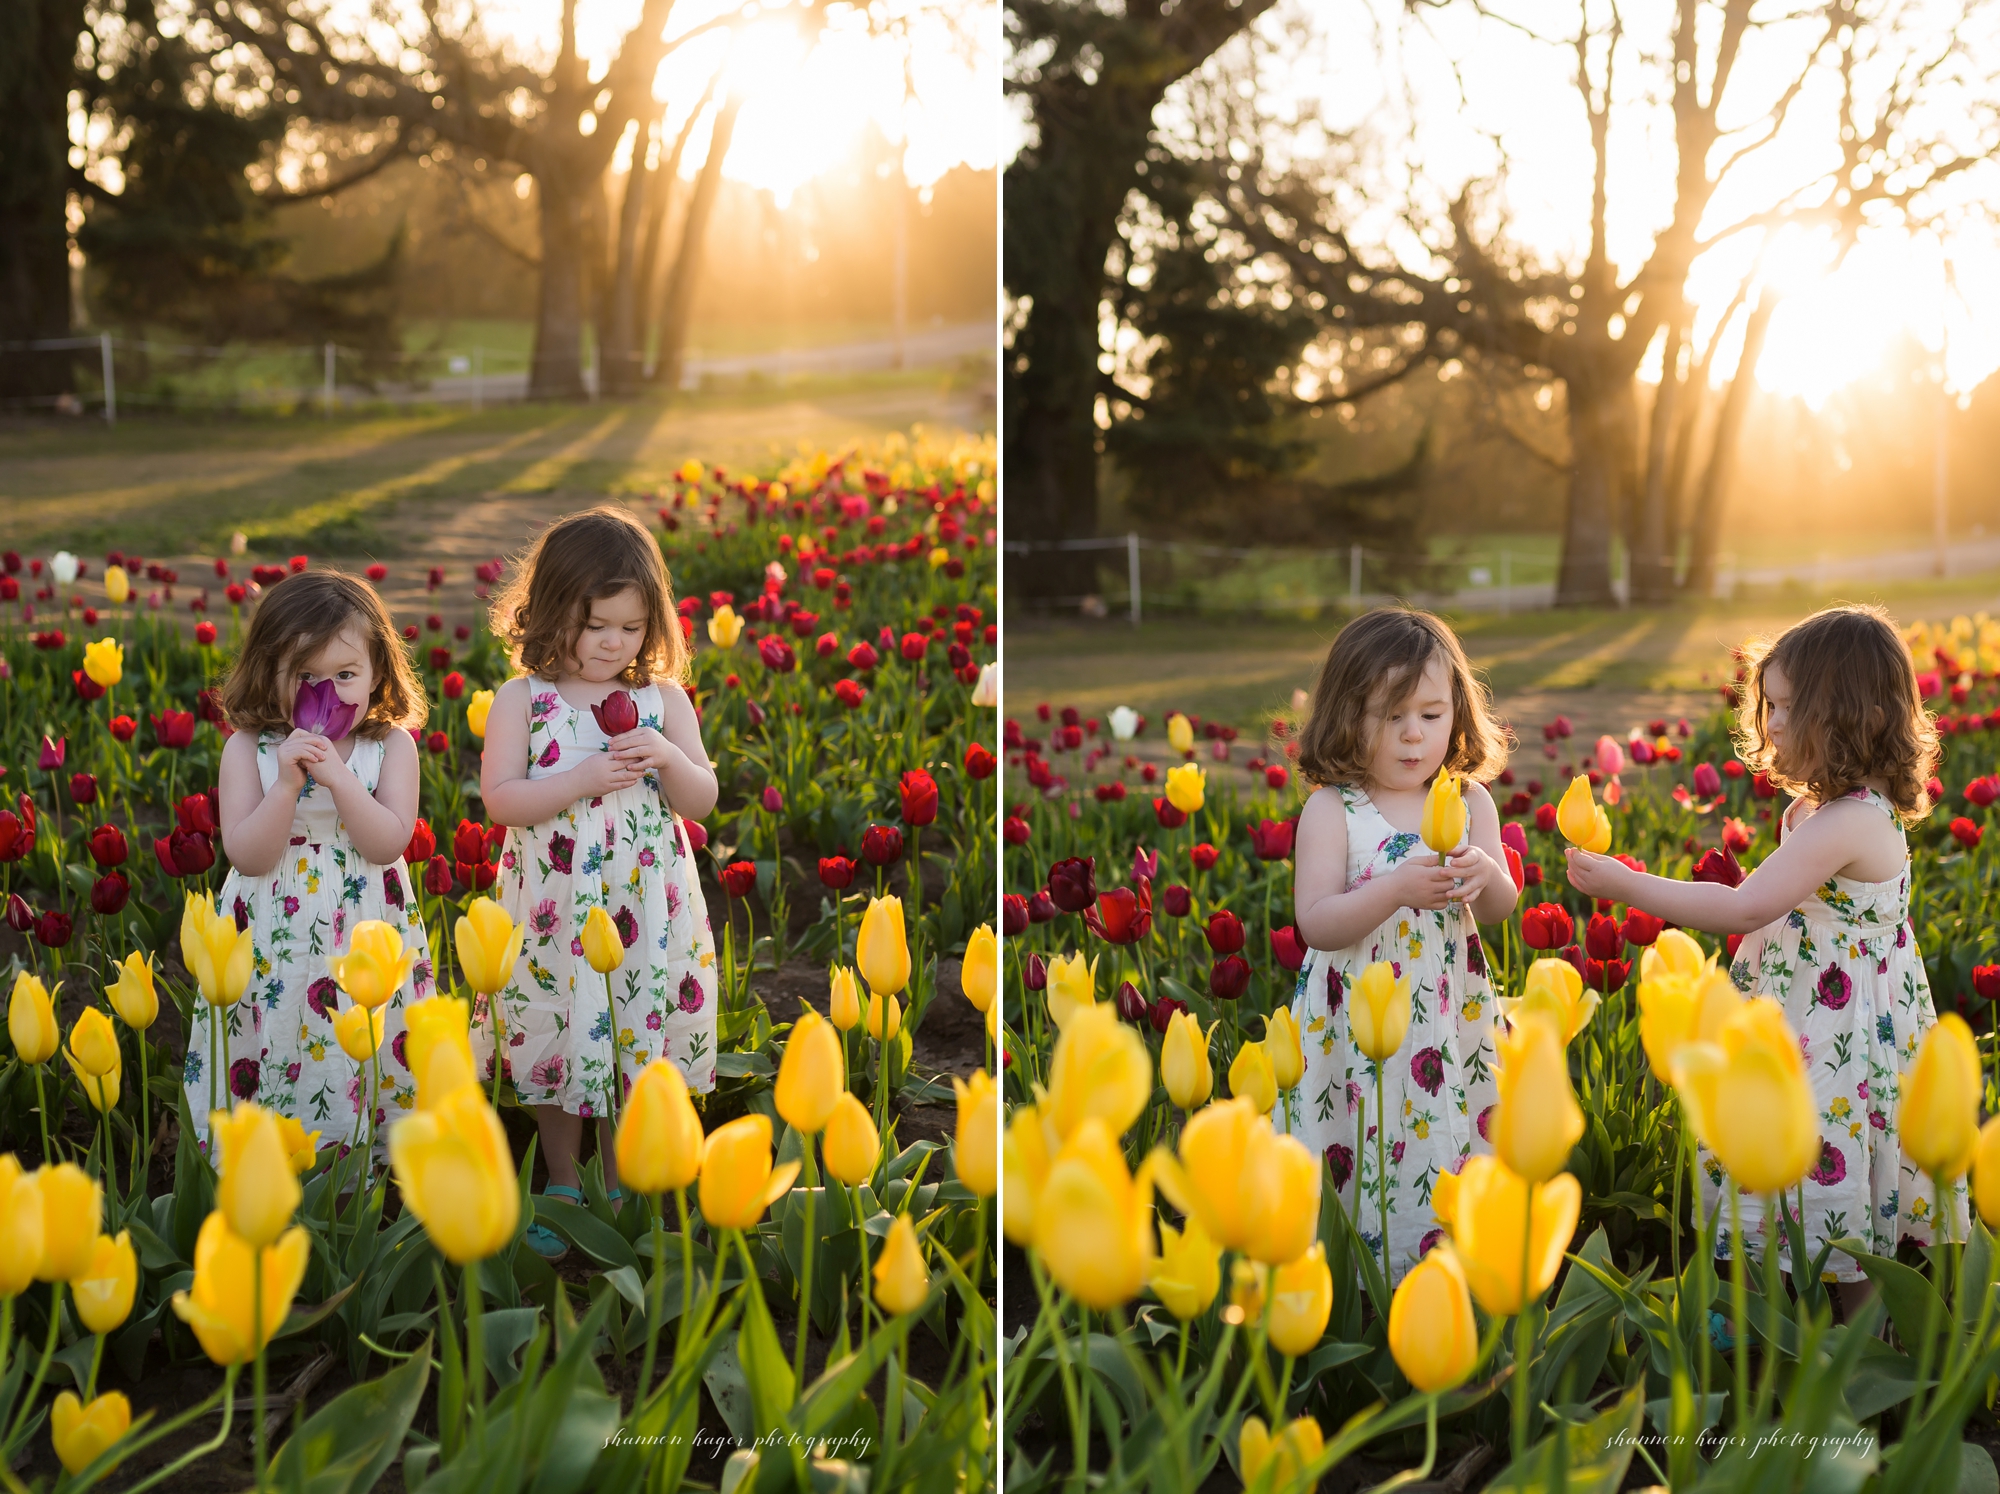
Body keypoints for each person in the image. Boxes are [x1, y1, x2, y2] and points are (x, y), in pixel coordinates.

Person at [1566, 602, 1962, 1313]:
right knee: (1785, 1179)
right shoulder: (1821, 809)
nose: (1769, 722)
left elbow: (1749, 907)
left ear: (1852, 717)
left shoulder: (1852, 822)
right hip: (1805, 1020)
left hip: (1837, 1044)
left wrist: (1627, 883)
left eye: (1786, 707)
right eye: (1768, 704)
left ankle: (1862, 1354)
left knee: (1839, 1207)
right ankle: (1763, 1329)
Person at [481, 505, 720, 1259]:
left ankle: (619, 1177)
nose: (613, 643)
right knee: (557, 1026)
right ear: (549, 614)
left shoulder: (663, 703)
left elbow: (701, 799)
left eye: (631, 626)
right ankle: (560, 1177)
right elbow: (502, 801)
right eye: (594, 625)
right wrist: (582, 776)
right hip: (555, 905)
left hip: (642, 905)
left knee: (628, 1029)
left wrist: (670, 760)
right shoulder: (525, 701)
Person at [1283, 607, 1519, 1282]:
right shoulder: (1335, 811)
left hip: (1448, 1024)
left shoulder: (1469, 801)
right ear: (1346, 717)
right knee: (1362, 1148)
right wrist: (1392, 889)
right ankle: (1354, 1288)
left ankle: (1444, 1284)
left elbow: (1501, 910)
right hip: (1354, 1029)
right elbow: (1317, 921)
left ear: (1458, 716)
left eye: (1432, 714)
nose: (1414, 735)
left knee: (1443, 1142)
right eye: (1390, 717)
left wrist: (1486, 875)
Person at [206, 569, 440, 1151]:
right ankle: (274, 1155)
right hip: (273, 926)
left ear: (377, 673)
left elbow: (387, 843)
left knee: (357, 1038)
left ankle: (360, 1169)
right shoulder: (249, 749)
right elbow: (247, 855)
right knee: (283, 1031)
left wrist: (339, 781)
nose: (327, 693)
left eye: (345, 675)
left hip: (363, 925)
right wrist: (286, 785)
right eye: (305, 676)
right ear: (271, 671)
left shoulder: (390, 747)